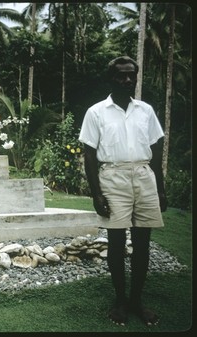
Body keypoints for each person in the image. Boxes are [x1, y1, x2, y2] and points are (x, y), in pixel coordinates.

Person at [79, 56, 167, 327]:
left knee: (142, 243)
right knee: (116, 243)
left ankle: (136, 300)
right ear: (111, 79)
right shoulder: (96, 112)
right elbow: (89, 155)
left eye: (132, 76)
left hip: (143, 177)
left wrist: (161, 189)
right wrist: (96, 194)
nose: (127, 80)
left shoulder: (145, 110)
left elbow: (155, 151)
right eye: (121, 76)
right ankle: (120, 301)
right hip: (112, 177)